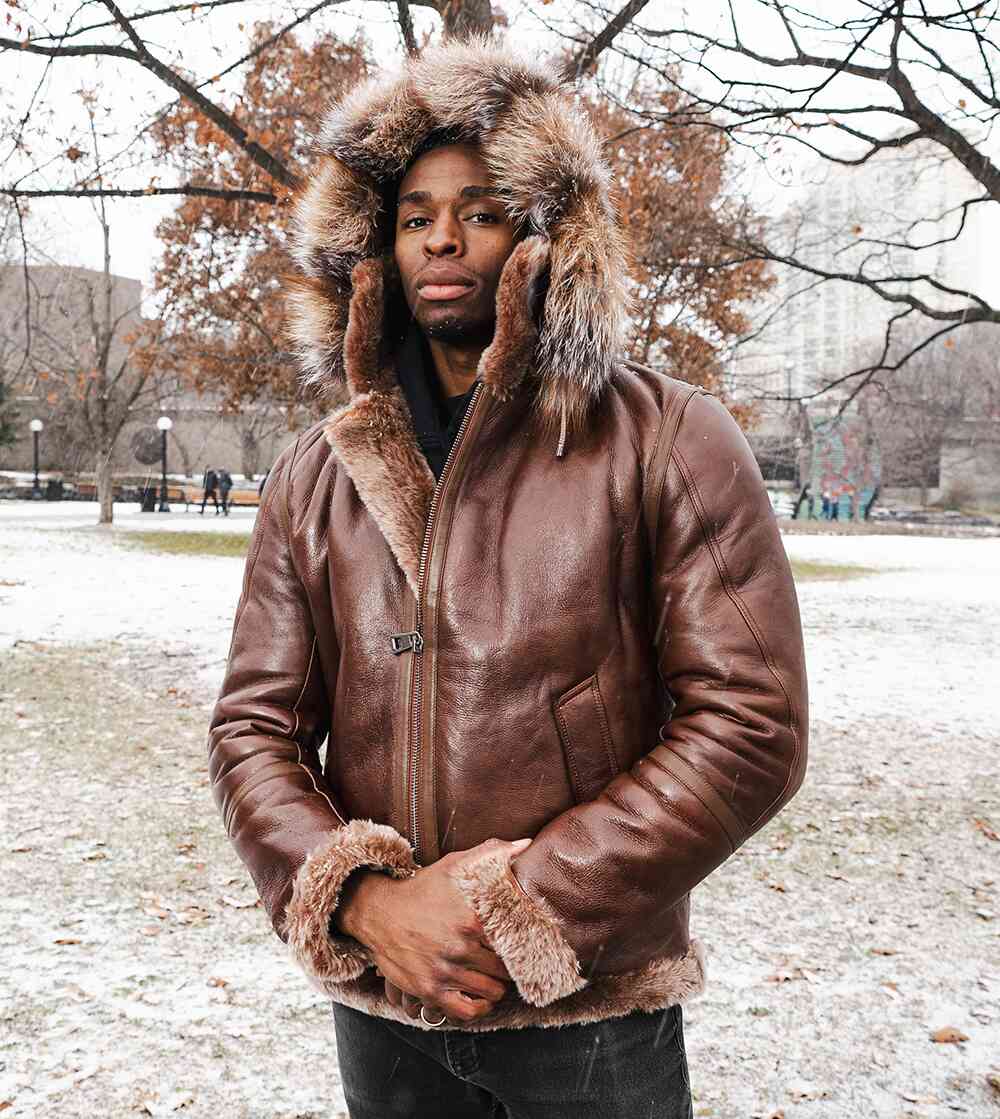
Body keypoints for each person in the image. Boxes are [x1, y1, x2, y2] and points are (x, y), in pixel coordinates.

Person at [208, 36, 809, 1119]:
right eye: (412, 215)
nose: (442, 236)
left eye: (479, 209)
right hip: (385, 1012)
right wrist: (366, 903)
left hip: (588, 1018)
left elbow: (749, 725)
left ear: (540, 230)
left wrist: (512, 907)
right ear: (374, 250)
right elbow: (253, 729)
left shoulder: (666, 434)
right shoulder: (317, 468)